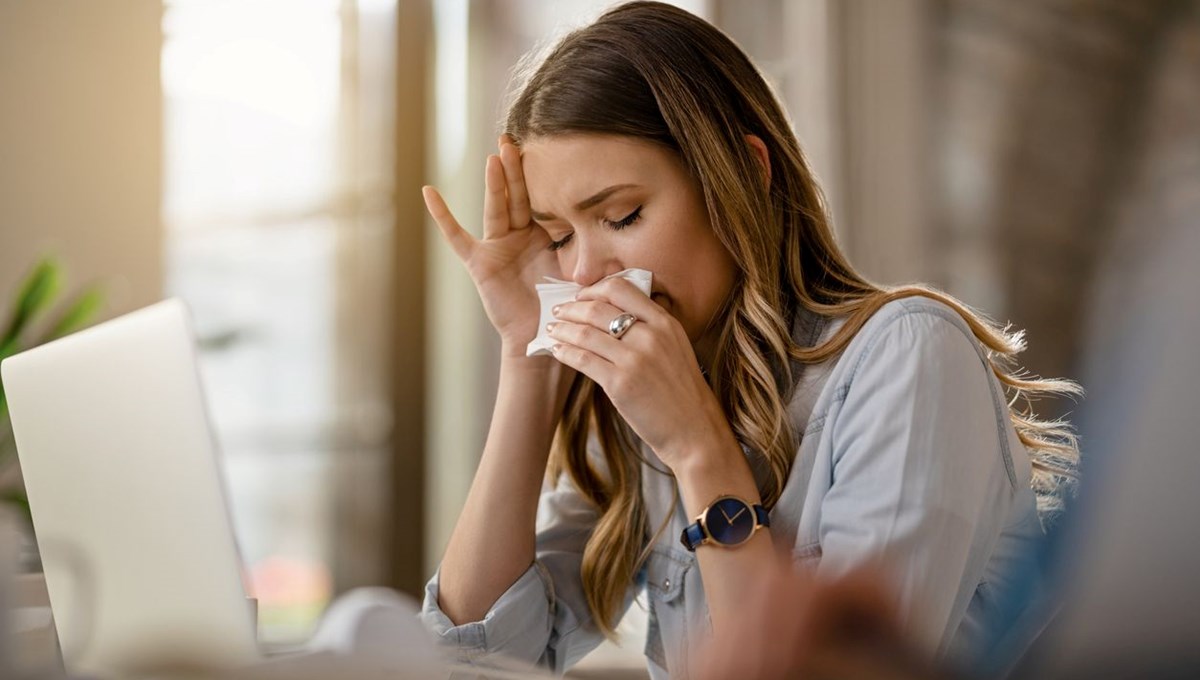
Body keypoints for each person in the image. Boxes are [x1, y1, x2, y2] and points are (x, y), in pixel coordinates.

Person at [417, 2, 1079, 678]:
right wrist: (528, 354)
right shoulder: (646, 393)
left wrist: (699, 449)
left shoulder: (908, 358)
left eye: (621, 216)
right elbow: (471, 657)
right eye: (559, 237)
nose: (583, 272)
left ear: (743, 171)